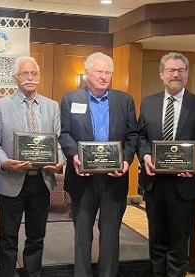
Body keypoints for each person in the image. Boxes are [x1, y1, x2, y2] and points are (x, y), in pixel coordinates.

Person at [58, 52, 138, 277]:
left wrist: (126, 160)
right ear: (87, 74)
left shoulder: (124, 100)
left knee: (111, 235)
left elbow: (133, 135)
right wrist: (74, 154)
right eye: (99, 72)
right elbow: (64, 134)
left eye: (108, 72)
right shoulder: (70, 99)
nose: (104, 77)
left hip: (115, 178)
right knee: (82, 236)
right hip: (82, 179)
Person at [138, 52, 195, 277]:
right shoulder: (148, 103)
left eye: (181, 70)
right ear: (162, 73)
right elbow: (141, 138)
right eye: (171, 70)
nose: (176, 74)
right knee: (156, 240)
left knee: (179, 243)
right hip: (154, 184)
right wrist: (145, 157)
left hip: (185, 186)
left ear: (187, 74)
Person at [0, 56, 65, 277]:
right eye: (24, 74)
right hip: (11, 180)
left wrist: (60, 162)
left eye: (34, 74)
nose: (30, 78)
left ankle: (33, 273)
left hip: (42, 181)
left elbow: (57, 141)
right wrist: (4, 162)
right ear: (14, 78)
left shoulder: (52, 106)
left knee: (37, 235)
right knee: (8, 236)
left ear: (39, 77)